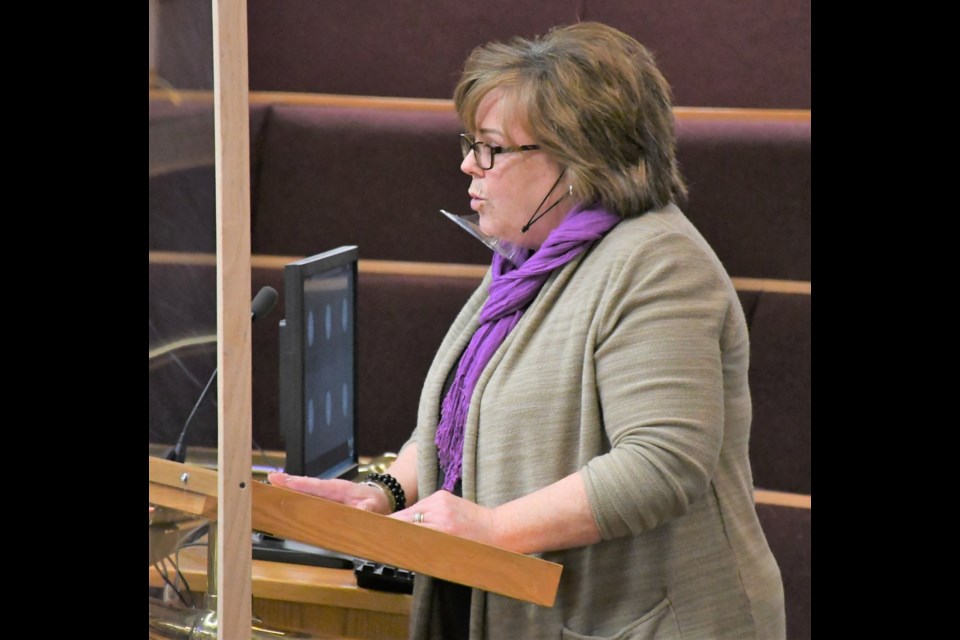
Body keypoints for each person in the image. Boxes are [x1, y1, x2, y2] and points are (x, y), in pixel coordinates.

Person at [269, 21, 785, 640]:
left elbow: (661, 463)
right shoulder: (529, 259)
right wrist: (387, 491)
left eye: (489, 147)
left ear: (575, 159)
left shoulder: (658, 263)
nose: (467, 164)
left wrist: (492, 530)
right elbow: (466, 420)